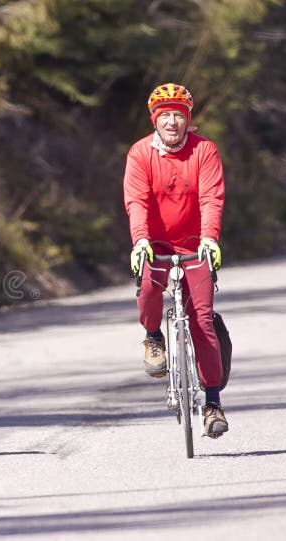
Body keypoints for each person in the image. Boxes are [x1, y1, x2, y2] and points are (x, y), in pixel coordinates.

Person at [123, 83, 228, 438]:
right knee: (149, 292)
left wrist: (210, 239)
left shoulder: (205, 151)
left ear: (187, 119)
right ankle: (154, 337)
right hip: (155, 245)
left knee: (202, 320)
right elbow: (136, 200)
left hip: (196, 247)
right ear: (155, 119)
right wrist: (140, 242)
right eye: (164, 115)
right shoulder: (140, 154)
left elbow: (211, 198)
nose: (171, 122)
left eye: (178, 115)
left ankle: (213, 403)